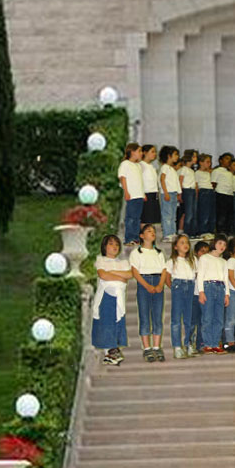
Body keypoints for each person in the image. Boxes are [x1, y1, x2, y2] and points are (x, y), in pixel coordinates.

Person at [129, 223, 168, 362]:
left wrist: (160, 285)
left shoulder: (159, 253)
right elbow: (135, 271)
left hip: (157, 281)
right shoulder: (136, 253)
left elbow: (164, 270)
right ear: (141, 235)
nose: (152, 233)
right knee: (144, 316)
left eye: (153, 231)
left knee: (157, 316)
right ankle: (147, 348)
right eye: (149, 231)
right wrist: (146, 285)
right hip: (144, 282)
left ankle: (157, 347)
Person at [91, 234, 132, 365]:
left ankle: (114, 349)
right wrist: (119, 276)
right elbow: (103, 275)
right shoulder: (101, 260)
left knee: (116, 319)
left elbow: (128, 275)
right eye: (111, 244)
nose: (114, 246)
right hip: (106, 294)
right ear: (104, 246)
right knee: (107, 320)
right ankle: (109, 350)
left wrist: (112, 272)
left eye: (116, 244)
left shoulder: (123, 263)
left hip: (119, 295)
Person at [196, 235, 230, 354]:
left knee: (219, 318)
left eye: (224, 245)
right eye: (220, 243)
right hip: (208, 287)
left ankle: (215, 343)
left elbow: (226, 278)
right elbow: (200, 275)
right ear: (214, 243)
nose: (222, 246)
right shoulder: (204, 258)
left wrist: (227, 294)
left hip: (220, 288)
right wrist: (201, 292)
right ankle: (208, 344)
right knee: (207, 317)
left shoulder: (223, 261)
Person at [166, 234, 196, 359]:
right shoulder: (172, 261)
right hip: (178, 286)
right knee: (176, 319)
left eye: (187, 242)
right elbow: (167, 277)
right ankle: (177, 347)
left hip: (190, 286)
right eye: (182, 242)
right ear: (175, 247)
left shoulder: (193, 261)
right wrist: (174, 287)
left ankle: (188, 344)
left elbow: (197, 275)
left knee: (189, 318)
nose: (185, 245)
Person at [118, 143, 144, 246]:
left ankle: (136, 237)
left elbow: (140, 181)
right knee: (130, 218)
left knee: (137, 218)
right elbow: (122, 178)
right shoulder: (125, 164)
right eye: (139, 151)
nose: (141, 153)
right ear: (132, 152)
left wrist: (143, 194)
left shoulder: (138, 165)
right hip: (131, 195)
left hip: (139, 195)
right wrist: (126, 191)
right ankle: (128, 239)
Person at [190, 240, 211, 355]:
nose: (204, 254)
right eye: (202, 251)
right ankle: (189, 343)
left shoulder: (210, 262)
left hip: (205, 296)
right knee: (193, 320)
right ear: (196, 252)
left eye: (207, 252)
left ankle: (200, 344)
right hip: (194, 295)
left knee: (203, 321)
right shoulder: (193, 261)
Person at [158, 145, 181, 243]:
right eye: (175, 154)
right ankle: (167, 234)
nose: (177, 157)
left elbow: (175, 182)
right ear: (169, 156)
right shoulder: (165, 167)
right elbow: (162, 179)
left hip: (173, 193)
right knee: (167, 214)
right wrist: (165, 192)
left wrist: (178, 193)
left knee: (173, 215)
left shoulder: (172, 169)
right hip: (167, 194)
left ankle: (172, 233)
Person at [212, 152, 235, 235]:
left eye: (230, 159)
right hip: (221, 194)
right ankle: (220, 233)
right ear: (221, 160)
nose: (228, 161)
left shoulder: (229, 172)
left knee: (229, 215)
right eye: (226, 159)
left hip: (230, 195)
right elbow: (213, 183)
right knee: (221, 215)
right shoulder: (217, 171)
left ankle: (228, 232)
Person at [139, 144, 161, 227]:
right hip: (145, 194)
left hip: (153, 194)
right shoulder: (141, 165)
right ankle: (143, 233)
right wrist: (142, 193)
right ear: (145, 152)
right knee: (145, 218)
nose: (155, 154)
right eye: (152, 152)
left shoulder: (151, 167)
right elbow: (138, 180)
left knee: (151, 219)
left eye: (155, 152)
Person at [179, 149, 198, 238]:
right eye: (194, 156)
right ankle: (186, 232)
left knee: (194, 213)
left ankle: (193, 233)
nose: (195, 158)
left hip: (192, 191)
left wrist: (196, 193)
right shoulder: (184, 169)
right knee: (189, 213)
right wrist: (179, 193)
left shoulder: (191, 170)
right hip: (187, 191)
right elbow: (180, 180)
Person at [195, 154, 215, 239]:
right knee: (204, 213)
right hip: (203, 192)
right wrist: (196, 196)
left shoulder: (209, 173)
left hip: (211, 191)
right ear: (201, 163)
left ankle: (210, 231)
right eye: (207, 162)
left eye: (210, 162)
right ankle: (203, 231)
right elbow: (196, 185)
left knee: (211, 213)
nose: (209, 164)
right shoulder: (197, 173)